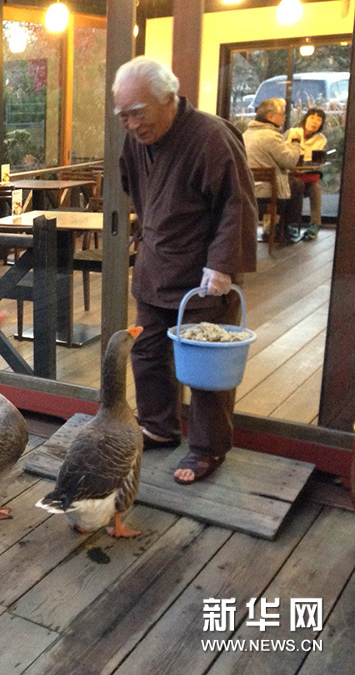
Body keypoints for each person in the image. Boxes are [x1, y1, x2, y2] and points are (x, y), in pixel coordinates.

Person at [113, 56, 258, 485]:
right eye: (123, 116)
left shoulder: (212, 136)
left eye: (137, 113)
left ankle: (209, 448)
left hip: (204, 276)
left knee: (206, 366)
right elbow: (133, 188)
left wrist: (222, 265)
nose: (131, 125)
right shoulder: (135, 143)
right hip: (156, 268)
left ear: (169, 98)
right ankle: (158, 426)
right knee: (147, 351)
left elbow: (237, 203)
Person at [243, 98, 303, 241]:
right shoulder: (271, 136)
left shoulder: (245, 134)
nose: (284, 118)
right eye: (282, 114)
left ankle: (273, 227)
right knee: (297, 185)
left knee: (291, 183)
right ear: (270, 116)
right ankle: (286, 227)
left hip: (248, 188)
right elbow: (289, 161)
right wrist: (296, 142)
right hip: (267, 190)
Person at [285, 108, 328, 240]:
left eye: (319, 120)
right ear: (305, 119)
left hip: (307, 176)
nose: (314, 122)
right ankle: (289, 223)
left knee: (315, 188)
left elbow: (318, 161)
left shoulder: (321, 139)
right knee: (295, 184)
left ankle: (315, 224)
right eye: (312, 118)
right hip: (289, 176)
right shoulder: (292, 132)